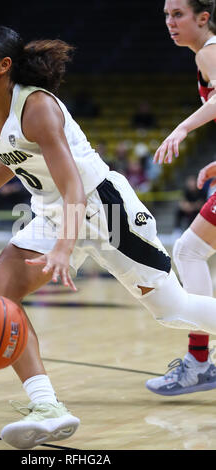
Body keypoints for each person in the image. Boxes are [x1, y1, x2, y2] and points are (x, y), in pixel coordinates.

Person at [0, 25, 216, 450]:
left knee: (172, 309)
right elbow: (13, 153)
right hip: (52, 209)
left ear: (4, 66)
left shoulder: (38, 106)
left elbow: (75, 186)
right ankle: (48, 408)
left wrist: (64, 248)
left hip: (103, 207)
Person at [146, 0, 216, 397]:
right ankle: (199, 362)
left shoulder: (209, 52)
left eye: (179, 15)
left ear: (202, 18)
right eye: (167, 16)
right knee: (190, 251)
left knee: (188, 252)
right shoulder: (204, 56)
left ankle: (199, 363)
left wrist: (183, 128)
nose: (171, 23)